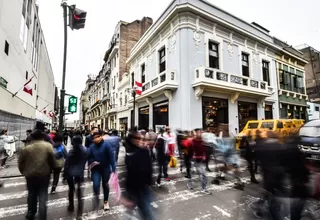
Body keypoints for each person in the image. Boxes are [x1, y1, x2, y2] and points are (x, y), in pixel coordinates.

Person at [18, 129, 56, 220]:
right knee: (43, 194)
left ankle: (31, 213)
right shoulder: (48, 146)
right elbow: (52, 160)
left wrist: (24, 172)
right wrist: (52, 169)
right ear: (42, 137)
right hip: (44, 174)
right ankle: (42, 215)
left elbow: (21, 163)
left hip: (30, 175)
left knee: (32, 194)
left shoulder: (26, 148)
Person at [122, 130, 155, 220]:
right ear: (131, 139)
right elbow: (129, 173)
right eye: (137, 138)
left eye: (141, 138)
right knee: (141, 213)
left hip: (143, 189)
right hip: (133, 189)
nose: (140, 140)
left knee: (147, 213)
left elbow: (149, 170)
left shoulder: (143, 152)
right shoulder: (131, 152)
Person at [88, 131, 116, 211]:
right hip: (96, 169)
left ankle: (106, 201)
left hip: (105, 168)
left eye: (98, 137)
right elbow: (89, 157)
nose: (96, 139)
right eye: (94, 138)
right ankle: (96, 198)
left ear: (101, 136)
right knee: (96, 185)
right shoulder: (92, 147)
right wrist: (92, 162)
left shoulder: (107, 145)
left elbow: (112, 157)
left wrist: (114, 169)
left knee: (105, 185)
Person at [64, 135, 88, 218]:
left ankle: (71, 205)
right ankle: (79, 214)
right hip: (79, 173)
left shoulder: (71, 151)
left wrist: (65, 173)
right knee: (79, 193)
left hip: (70, 173)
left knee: (71, 189)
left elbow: (67, 163)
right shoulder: (85, 150)